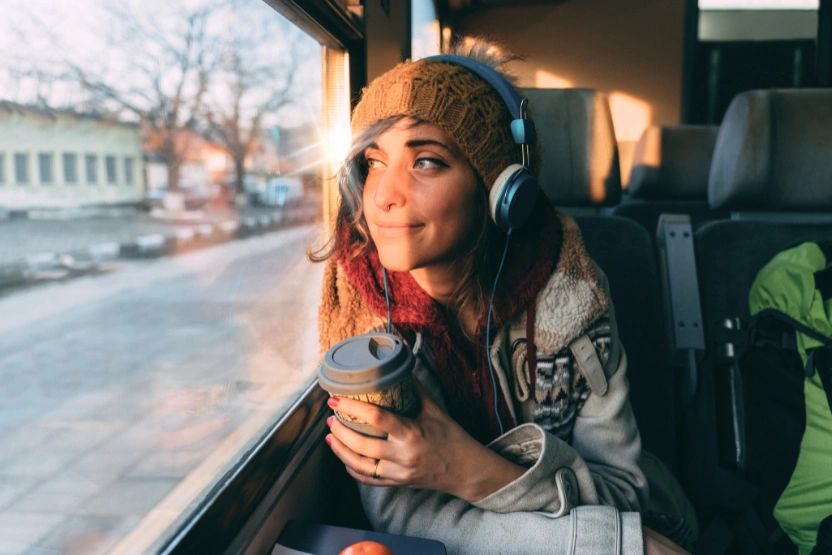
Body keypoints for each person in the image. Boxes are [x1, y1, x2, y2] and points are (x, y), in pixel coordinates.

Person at [312, 38, 691, 555]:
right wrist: (613, 544)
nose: (383, 195)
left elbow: (624, 492)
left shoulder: (572, 293)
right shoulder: (361, 310)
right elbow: (403, 518)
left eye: (425, 161)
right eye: (374, 162)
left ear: (500, 190)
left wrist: (468, 470)